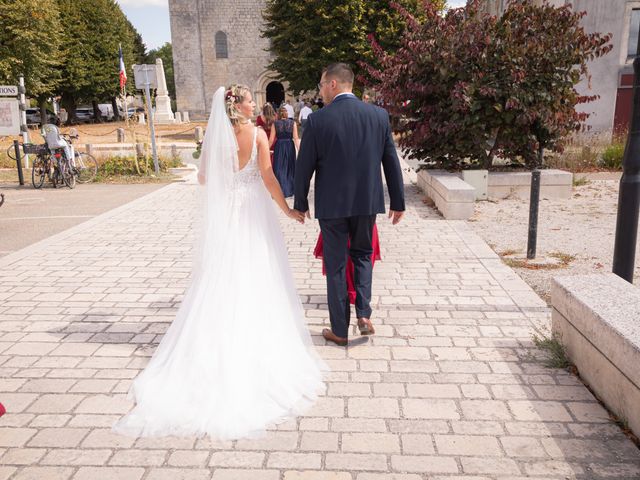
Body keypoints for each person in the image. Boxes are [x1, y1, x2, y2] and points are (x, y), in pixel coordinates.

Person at [114, 85, 325, 440]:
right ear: (237, 106)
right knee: (259, 272)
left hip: (228, 213)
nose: (253, 104)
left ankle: (218, 334)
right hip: (255, 212)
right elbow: (269, 177)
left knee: (223, 274)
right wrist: (287, 209)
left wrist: (225, 181)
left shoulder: (217, 137)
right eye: (248, 100)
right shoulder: (257, 133)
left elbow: (202, 178)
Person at [294, 63, 405, 347]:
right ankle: (364, 314)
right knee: (363, 256)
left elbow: (304, 165)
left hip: (331, 205)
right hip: (367, 202)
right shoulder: (378, 116)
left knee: (336, 266)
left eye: (321, 85)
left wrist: (300, 202)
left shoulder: (317, 121)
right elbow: (391, 161)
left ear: (333, 84)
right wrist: (398, 201)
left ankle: (340, 330)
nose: (320, 91)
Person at [270, 106, 299, 198]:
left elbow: (271, 140)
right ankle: (290, 190)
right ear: (287, 114)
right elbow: (296, 138)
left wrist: (265, 149)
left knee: (279, 168)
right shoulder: (293, 123)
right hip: (290, 146)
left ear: (278, 114)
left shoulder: (275, 124)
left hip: (279, 146)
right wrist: (300, 151)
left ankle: (280, 190)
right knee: (290, 167)